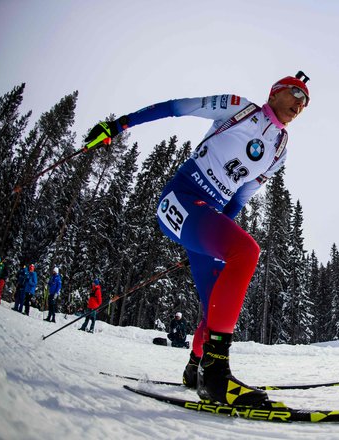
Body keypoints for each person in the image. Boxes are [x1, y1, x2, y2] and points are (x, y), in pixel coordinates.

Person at [84, 71, 310, 407]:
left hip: (205, 216)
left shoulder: (280, 151)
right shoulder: (240, 109)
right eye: (295, 93)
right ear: (275, 92)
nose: (299, 104)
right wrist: (120, 125)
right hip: (181, 198)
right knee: (247, 252)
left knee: (216, 306)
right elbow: (178, 108)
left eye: (305, 101)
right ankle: (217, 377)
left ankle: (196, 369)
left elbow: (239, 199)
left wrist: (210, 239)